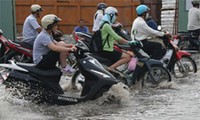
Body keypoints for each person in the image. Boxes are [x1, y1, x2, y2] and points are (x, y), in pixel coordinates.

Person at [98, 6, 134, 71]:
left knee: (128, 53)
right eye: (115, 15)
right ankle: (111, 68)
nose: (116, 17)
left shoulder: (105, 24)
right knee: (127, 57)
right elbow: (117, 38)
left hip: (109, 47)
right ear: (111, 15)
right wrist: (129, 42)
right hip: (107, 50)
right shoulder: (106, 25)